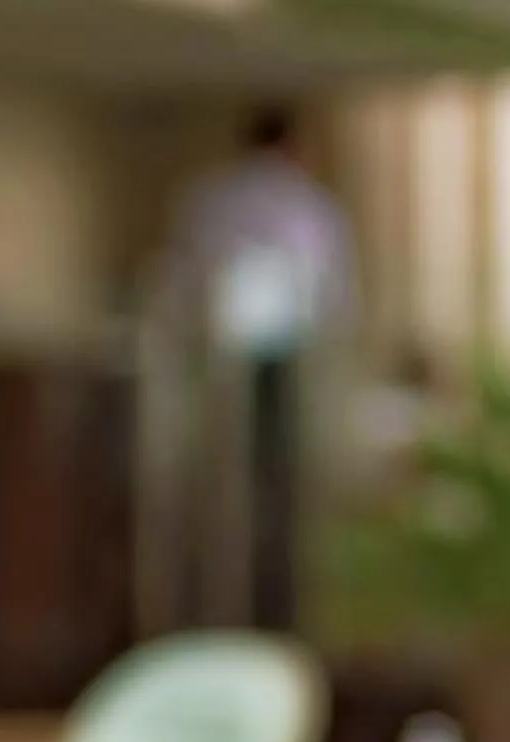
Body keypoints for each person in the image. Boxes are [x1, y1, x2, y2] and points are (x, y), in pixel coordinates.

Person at [169, 108, 356, 627]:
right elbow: (334, 297)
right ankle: (250, 604)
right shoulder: (308, 208)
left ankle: (265, 601)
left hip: (261, 367)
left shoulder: (215, 200)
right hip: (248, 370)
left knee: (264, 491)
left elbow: (189, 277)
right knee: (250, 490)